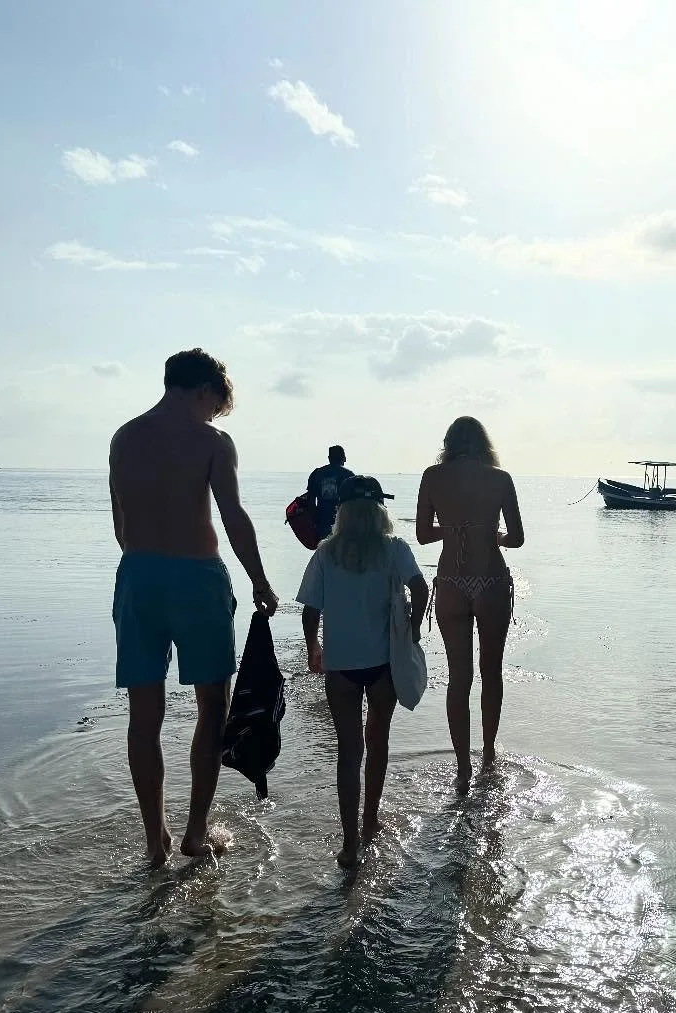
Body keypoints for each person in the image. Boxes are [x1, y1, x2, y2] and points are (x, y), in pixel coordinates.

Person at [109, 348, 279, 868]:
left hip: (138, 575)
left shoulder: (125, 436)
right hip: (196, 578)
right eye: (216, 405)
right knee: (212, 709)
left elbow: (119, 518)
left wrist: (144, 565)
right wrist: (260, 581)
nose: (215, 415)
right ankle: (195, 835)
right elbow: (232, 516)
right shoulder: (212, 441)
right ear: (205, 390)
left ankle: (153, 840)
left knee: (144, 717)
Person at [298, 475, 429, 868]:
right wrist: (414, 627)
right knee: (378, 743)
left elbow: (310, 609)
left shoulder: (326, 552)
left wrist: (313, 647)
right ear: (379, 511)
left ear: (343, 511)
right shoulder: (394, 549)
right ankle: (371, 818)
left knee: (348, 752)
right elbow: (421, 589)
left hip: (341, 667)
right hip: (384, 664)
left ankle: (350, 843)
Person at [415, 417, 524, 795]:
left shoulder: (432, 476)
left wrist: (453, 529)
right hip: (491, 579)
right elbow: (518, 538)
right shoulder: (500, 478)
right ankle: (489, 755)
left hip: (450, 582)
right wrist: (488, 533)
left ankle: (462, 767)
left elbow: (422, 534)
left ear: (448, 443)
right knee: (491, 671)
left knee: (458, 677)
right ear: (484, 443)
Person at [307, 445, 354, 542]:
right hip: (344, 525)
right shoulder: (349, 476)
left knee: (325, 554)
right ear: (343, 458)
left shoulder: (317, 474)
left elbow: (310, 501)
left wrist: (315, 521)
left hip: (322, 524)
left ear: (329, 458)